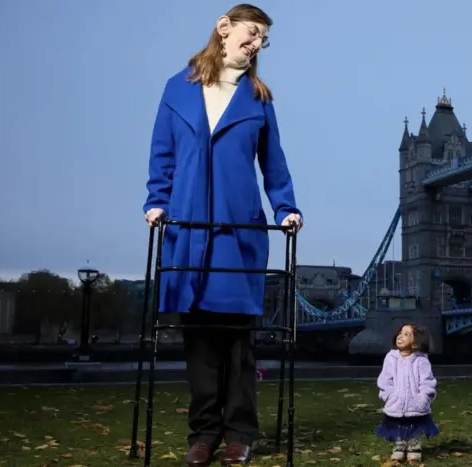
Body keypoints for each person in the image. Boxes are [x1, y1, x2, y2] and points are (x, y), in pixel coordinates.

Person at [142, 4, 302, 466]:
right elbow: (162, 154)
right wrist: (157, 201)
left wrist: (286, 208)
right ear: (224, 28)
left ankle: (239, 434)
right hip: (188, 230)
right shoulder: (178, 89)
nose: (255, 46)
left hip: (239, 231)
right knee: (199, 342)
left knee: (237, 342)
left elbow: (274, 163)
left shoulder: (258, 98)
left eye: (262, 42)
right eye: (252, 35)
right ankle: (203, 434)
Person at [376, 324, 440, 463]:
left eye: (406, 334)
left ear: (416, 343)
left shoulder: (421, 360)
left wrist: (423, 398)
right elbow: (385, 379)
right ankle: (399, 446)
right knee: (398, 425)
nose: (401, 335)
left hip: (416, 403)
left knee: (414, 427)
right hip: (395, 402)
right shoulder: (391, 357)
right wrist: (389, 395)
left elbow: (427, 381)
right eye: (400, 332)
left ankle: (414, 447)